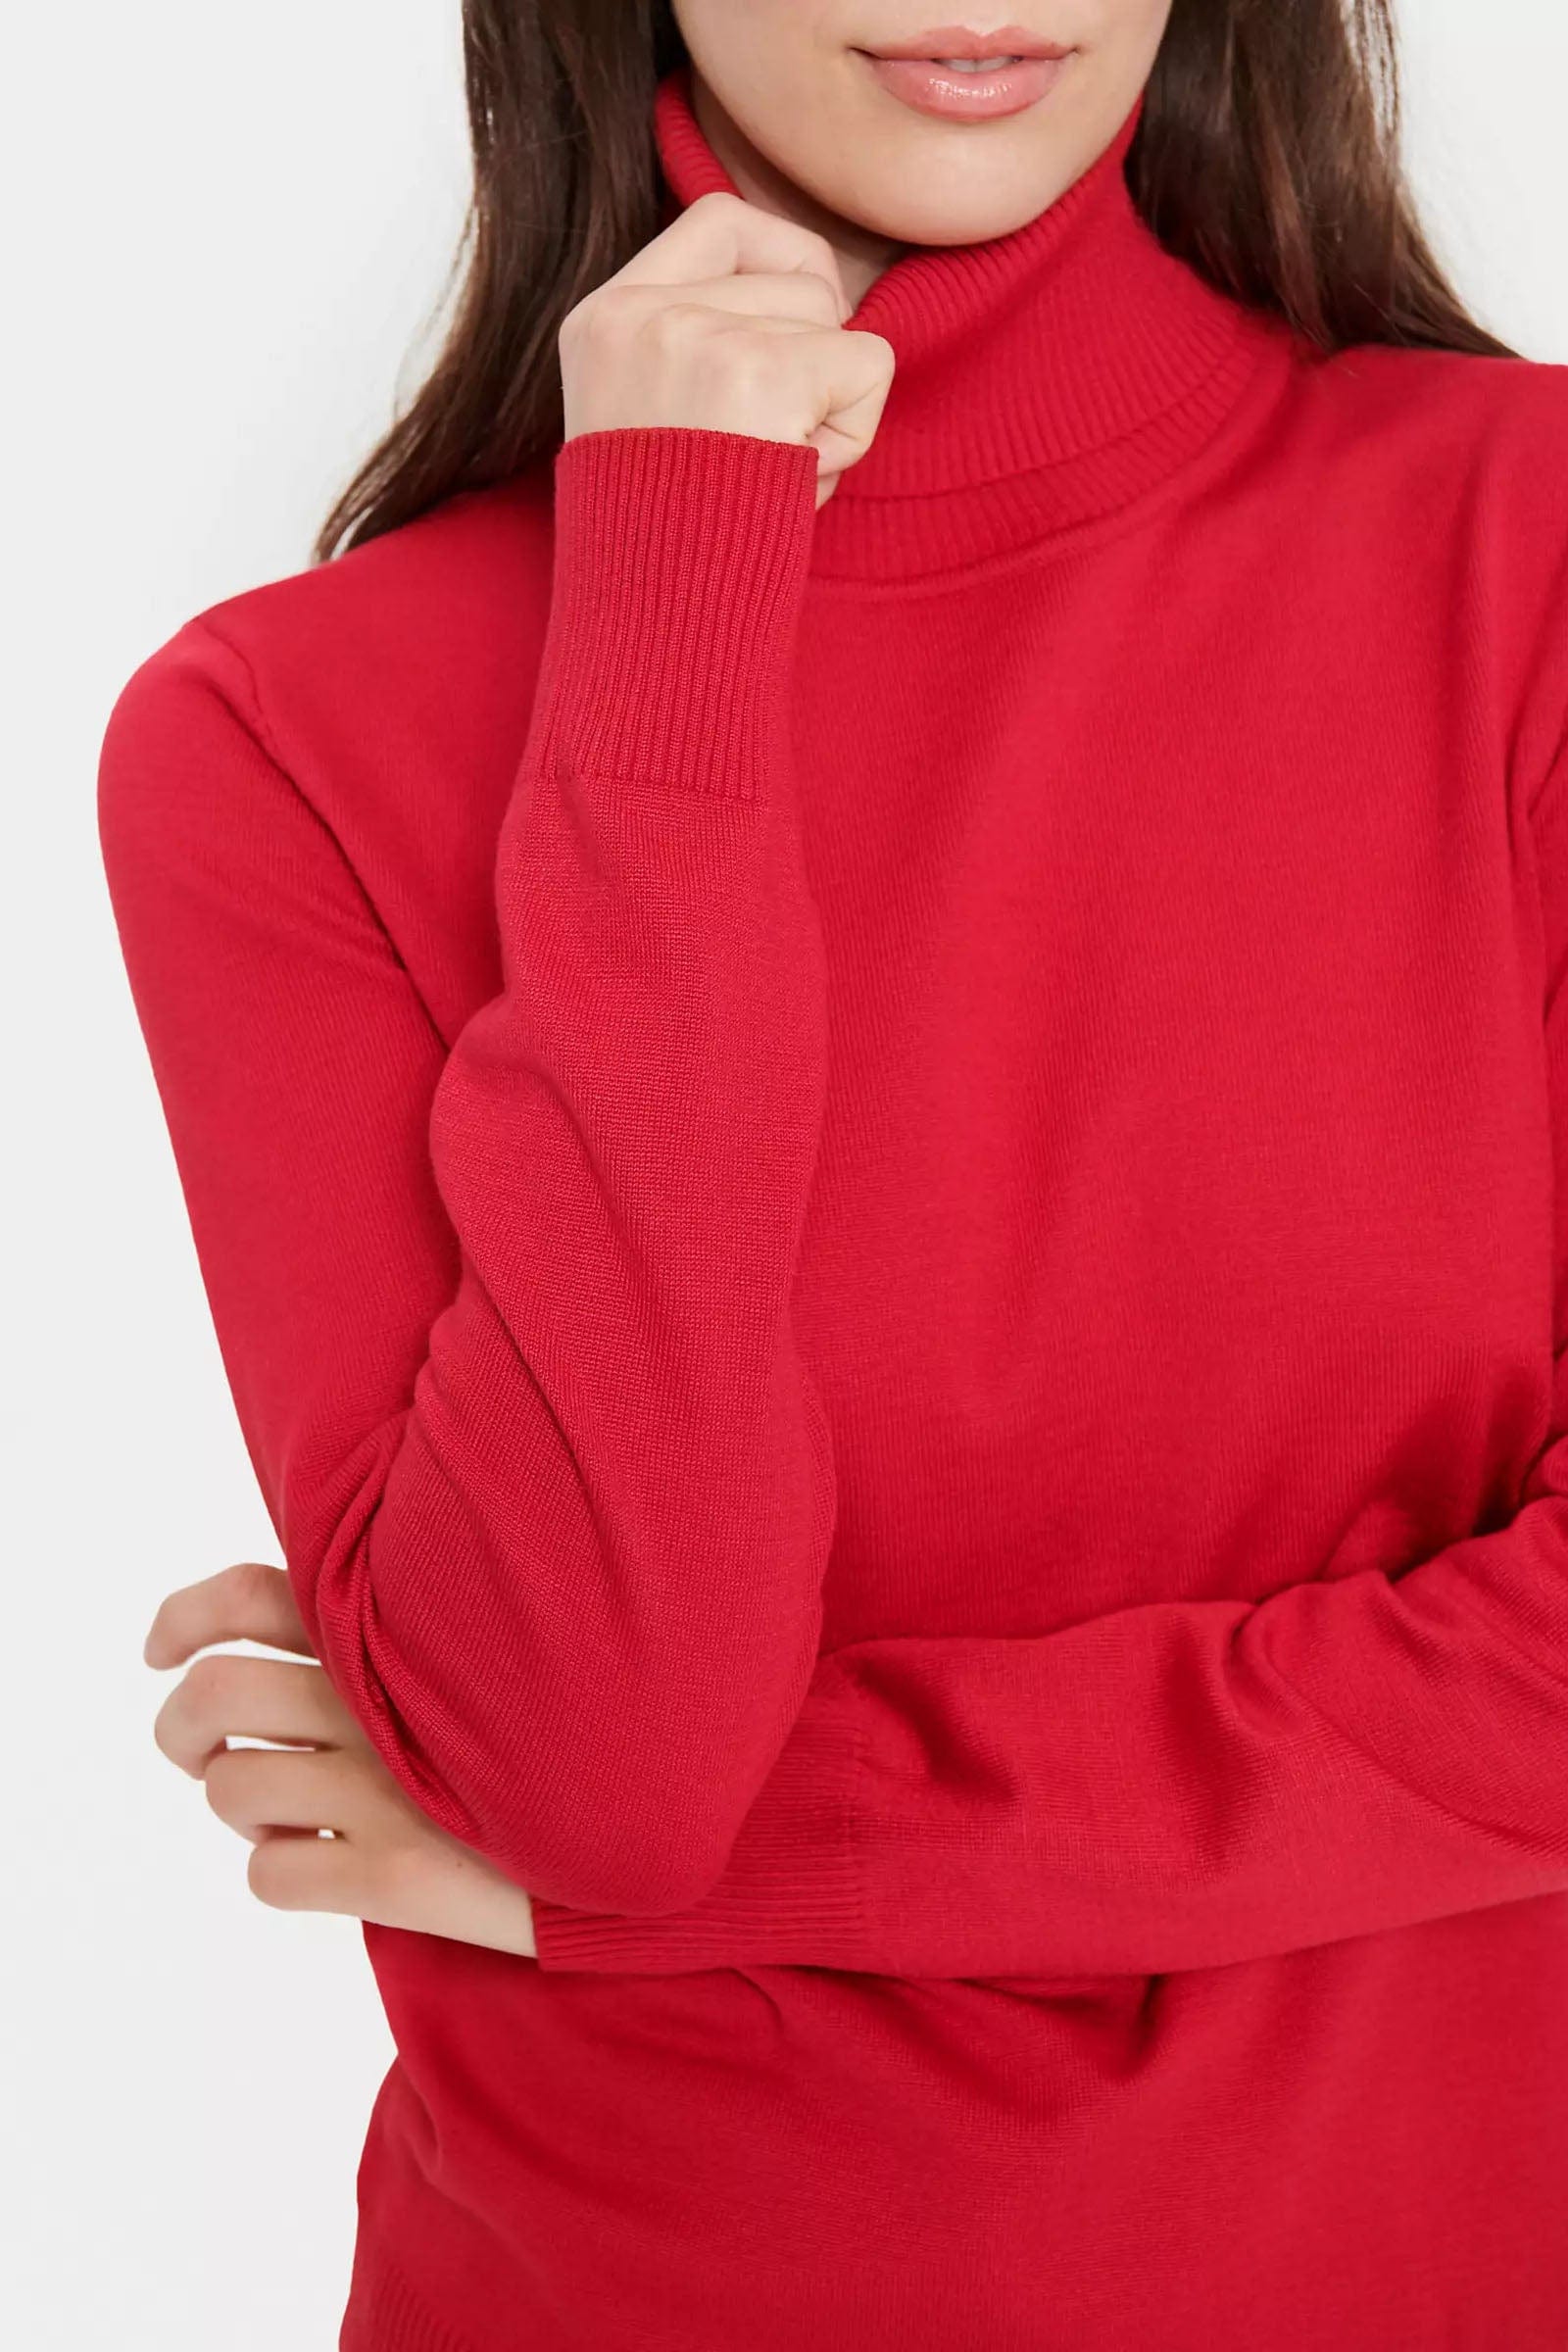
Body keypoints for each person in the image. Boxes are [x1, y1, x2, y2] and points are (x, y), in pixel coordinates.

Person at [96, 1, 1568, 2345]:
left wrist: (717, 1873)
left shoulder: (1519, 551)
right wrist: (663, 623)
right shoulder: (279, 738)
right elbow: (599, 1759)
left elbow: (590, 1842)